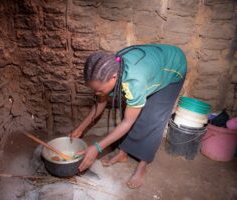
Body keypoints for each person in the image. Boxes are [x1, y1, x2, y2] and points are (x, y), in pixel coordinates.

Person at [70, 44, 187, 189]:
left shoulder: (134, 83)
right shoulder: (111, 67)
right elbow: (100, 102)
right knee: (135, 111)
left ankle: (143, 165)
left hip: (173, 69)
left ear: (114, 78)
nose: (96, 93)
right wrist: (80, 128)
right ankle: (123, 153)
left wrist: (96, 148)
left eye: (99, 90)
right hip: (153, 66)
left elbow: (127, 122)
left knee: (153, 119)